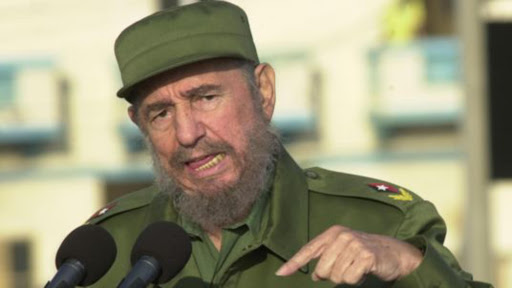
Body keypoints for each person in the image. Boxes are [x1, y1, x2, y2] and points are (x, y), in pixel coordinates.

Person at [85, 1, 492, 287]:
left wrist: (410, 265)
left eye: (206, 98)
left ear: (263, 91)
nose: (188, 134)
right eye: (161, 114)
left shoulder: (382, 225)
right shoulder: (105, 250)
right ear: (138, 125)